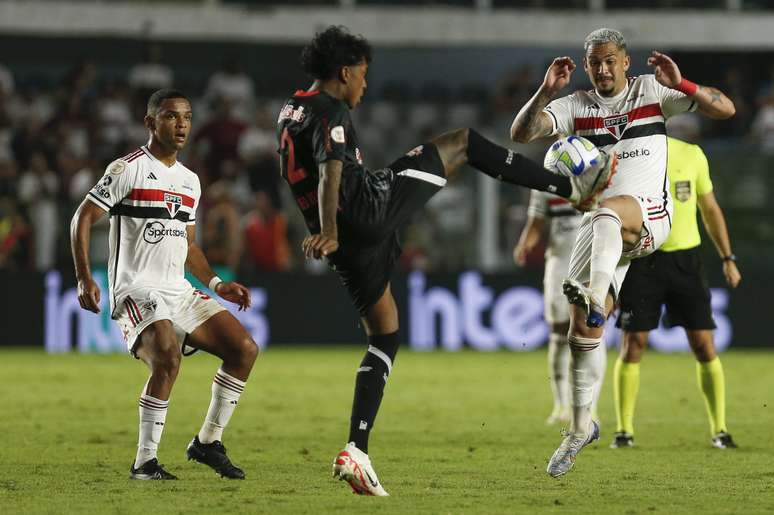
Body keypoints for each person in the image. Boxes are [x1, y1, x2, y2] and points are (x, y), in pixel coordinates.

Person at [278, 25, 616, 496]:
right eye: (363, 76)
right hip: (364, 211)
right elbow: (332, 166)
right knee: (463, 142)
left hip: (349, 243)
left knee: (385, 335)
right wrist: (330, 229)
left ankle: (356, 450)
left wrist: (321, 230)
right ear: (345, 72)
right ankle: (570, 188)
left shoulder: (290, 110)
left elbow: (300, 171)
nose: (365, 85)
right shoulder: (331, 109)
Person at [510, 27, 735, 477]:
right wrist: (545, 91)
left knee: (609, 214)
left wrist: (684, 84)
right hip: (602, 230)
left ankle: (596, 295)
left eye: (610, 60)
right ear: (586, 63)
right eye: (594, 61)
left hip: (649, 219)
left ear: (625, 62)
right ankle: (579, 427)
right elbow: (521, 133)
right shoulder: (575, 106)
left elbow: (725, 108)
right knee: (583, 332)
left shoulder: (653, 91)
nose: (602, 68)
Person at [70, 89, 259, 480]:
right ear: (150, 123)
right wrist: (84, 276)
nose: (182, 125)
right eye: (172, 116)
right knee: (168, 358)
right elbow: (82, 218)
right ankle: (144, 463)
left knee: (244, 349)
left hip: (178, 290)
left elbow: (188, 244)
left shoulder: (190, 182)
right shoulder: (128, 169)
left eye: (187, 117)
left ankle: (207, 443)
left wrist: (216, 283)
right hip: (136, 289)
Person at [611, 137, 741, 450]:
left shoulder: (692, 154)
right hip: (643, 259)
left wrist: (727, 258)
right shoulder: (629, 154)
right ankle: (624, 431)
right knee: (633, 345)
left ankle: (720, 429)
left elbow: (708, 207)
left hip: (686, 261)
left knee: (703, 345)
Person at [514, 188, 605, 426]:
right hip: (558, 262)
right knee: (558, 333)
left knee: (592, 332)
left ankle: (590, 407)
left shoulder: (599, 170)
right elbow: (536, 222)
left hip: (592, 261)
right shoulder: (544, 179)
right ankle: (561, 405)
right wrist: (525, 243)